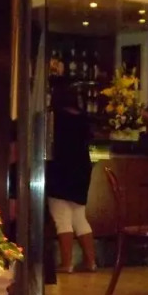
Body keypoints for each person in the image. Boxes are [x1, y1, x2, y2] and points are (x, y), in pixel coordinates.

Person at [46, 95, 97, 273]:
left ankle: (67, 263)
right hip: (82, 169)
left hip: (60, 168)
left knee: (62, 217)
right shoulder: (83, 119)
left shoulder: (55, 118)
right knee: (79, 216)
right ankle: (90, 261)